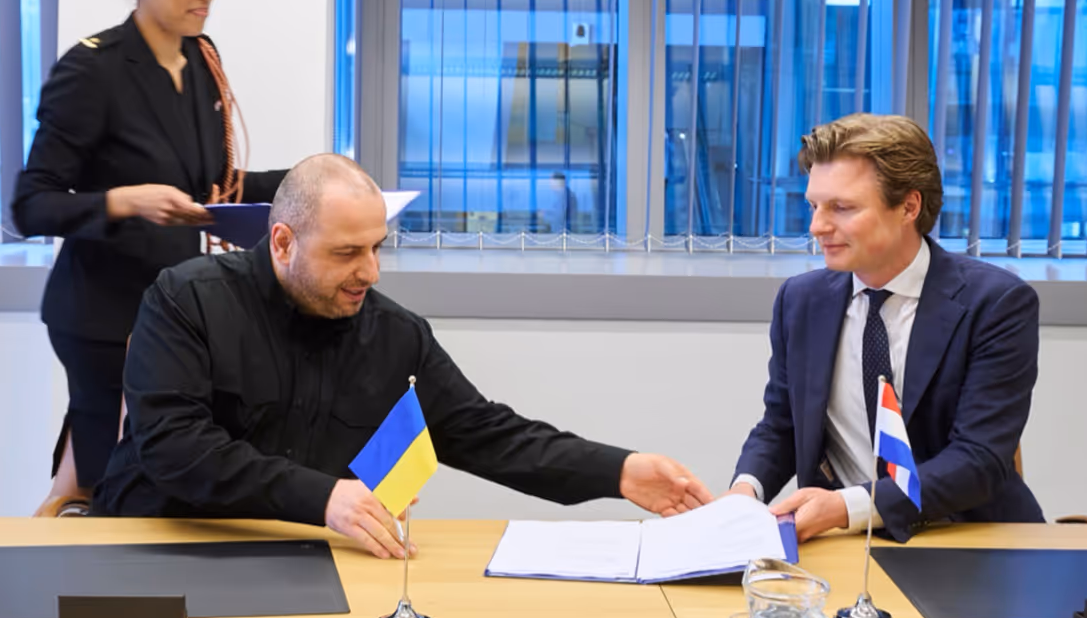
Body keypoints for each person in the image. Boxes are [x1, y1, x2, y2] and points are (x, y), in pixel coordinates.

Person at [93, 154, 713, 558]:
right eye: (346, 253)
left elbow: (493, 436)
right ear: (282, 243)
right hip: (158, 542)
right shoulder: (186, 300)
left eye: (377, 247)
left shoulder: (394, 336)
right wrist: (325, 497)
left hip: (299, 559)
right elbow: (176, 450)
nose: (370, 272)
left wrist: (620, 471)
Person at [12, 0, 286, 516]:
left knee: (155, 476)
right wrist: (123, 202)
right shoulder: (93, 69)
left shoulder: (202, 57)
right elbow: (31, 205)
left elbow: (211, 182)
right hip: (103, 317)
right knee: (109, 486)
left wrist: (311, 182)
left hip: (176, 313)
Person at [727, 113, 1043, 543]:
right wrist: (746, 491)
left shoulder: (995, 304)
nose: (817, 227)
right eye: (814, 206)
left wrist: (846, 506)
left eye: (842, 207)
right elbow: (782, 424)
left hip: (968, 538)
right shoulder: (801, 300)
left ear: (908, 207)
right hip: (847, 545)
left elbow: (979, 460)